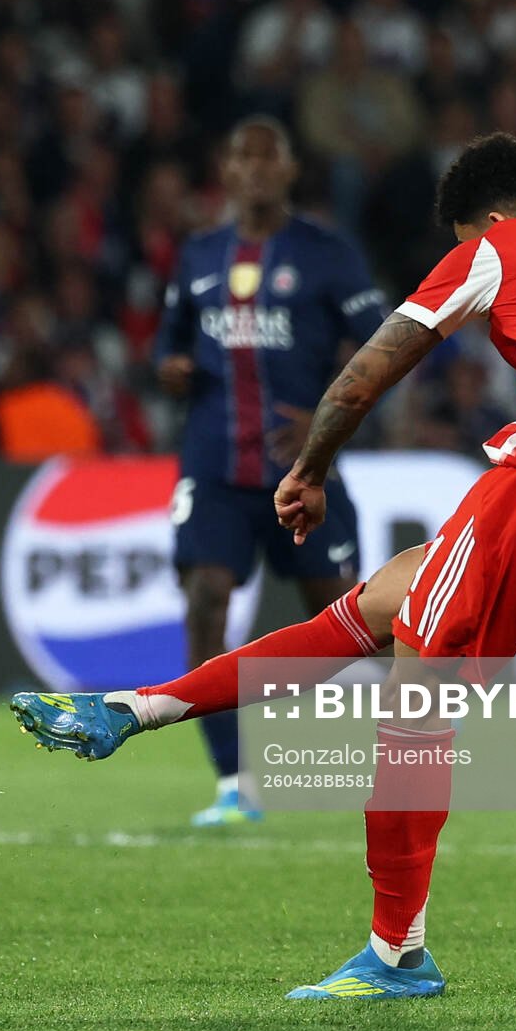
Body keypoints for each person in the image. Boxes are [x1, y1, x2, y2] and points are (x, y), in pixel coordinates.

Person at [12, 133, 516, 1001]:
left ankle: (398, 953)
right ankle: (133, 710)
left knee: (413, 702)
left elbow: (364, 375)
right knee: (385, 600)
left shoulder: (500, 248)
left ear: (491, 218)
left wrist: (309, 471)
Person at [153, 116, 386, 826]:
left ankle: (426, 713)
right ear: (225, 171)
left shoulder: (327, 253)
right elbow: (166, 348)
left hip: (302, 467)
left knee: (351, 617)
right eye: (242, 156)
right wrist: (170, 369)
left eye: (268, 156)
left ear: (290, 170)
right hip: (216, 466)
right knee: (204, 601)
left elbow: (385, 344)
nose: (255, 168)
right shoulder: (198, 255)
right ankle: (234, 784)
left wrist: (326, 417)